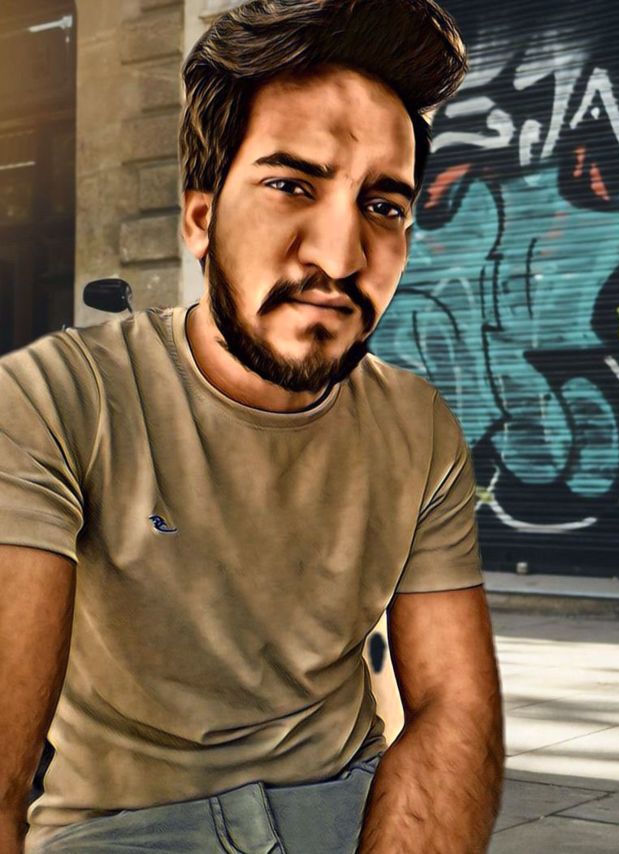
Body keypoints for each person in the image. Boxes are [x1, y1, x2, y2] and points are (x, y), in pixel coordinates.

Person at [0, 1, 504, 852]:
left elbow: (454, 707)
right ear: (200, 220)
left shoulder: (416, 424)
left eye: (383, 206)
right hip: (130, 829)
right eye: (291, 186)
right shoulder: (52, 398)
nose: (339, 259)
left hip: (351, 806)